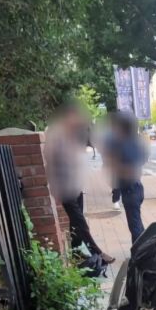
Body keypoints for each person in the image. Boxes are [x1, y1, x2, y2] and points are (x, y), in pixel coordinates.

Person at [45, 102, 115, 263]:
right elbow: (51, 162)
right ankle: (97, 252)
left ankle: (76, 252)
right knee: (80, 221)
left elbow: (93, 143)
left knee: (76, 221)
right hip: (64, 186)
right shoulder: (56, 135)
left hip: (76, 184)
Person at [104, 112, 147, 244]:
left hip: (131, 190)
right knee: (137, 224)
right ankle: (146, 247)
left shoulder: (125, 145)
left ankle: (140, 255)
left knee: (135, 228)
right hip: (135, 189)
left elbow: (129, 170)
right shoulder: (133, 142)